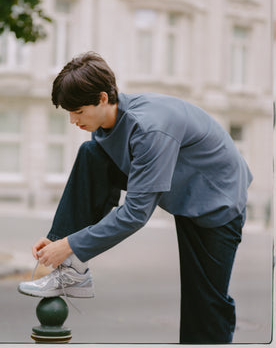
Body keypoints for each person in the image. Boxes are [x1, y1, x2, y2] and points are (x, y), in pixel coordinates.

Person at [18, 51, 253, 343]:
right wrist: (60, 241)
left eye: (78, 112)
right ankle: (71, 270)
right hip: (184, 190)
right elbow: (97, 177)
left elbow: (135, 215)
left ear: (102, 98)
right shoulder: (107, 125)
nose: (72, 120)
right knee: (91, 154)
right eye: (69, 113)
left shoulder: (149, 129)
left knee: (205, 305)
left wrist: (71, 244)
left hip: (217, 202)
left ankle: (68, 256)